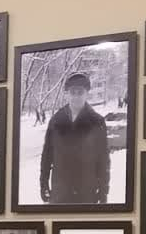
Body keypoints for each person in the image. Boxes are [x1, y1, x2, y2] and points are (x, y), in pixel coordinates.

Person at [39, 72, 111, 206]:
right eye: (73, 92)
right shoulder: (56, 121)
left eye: (80, 92)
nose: (76, 97)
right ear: (67, 94)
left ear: (86, 94)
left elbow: (103, 160)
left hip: (86, 192)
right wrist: (43, 184)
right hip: (60, 192)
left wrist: (103, 192)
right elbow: (47, 156)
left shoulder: (97, 122)